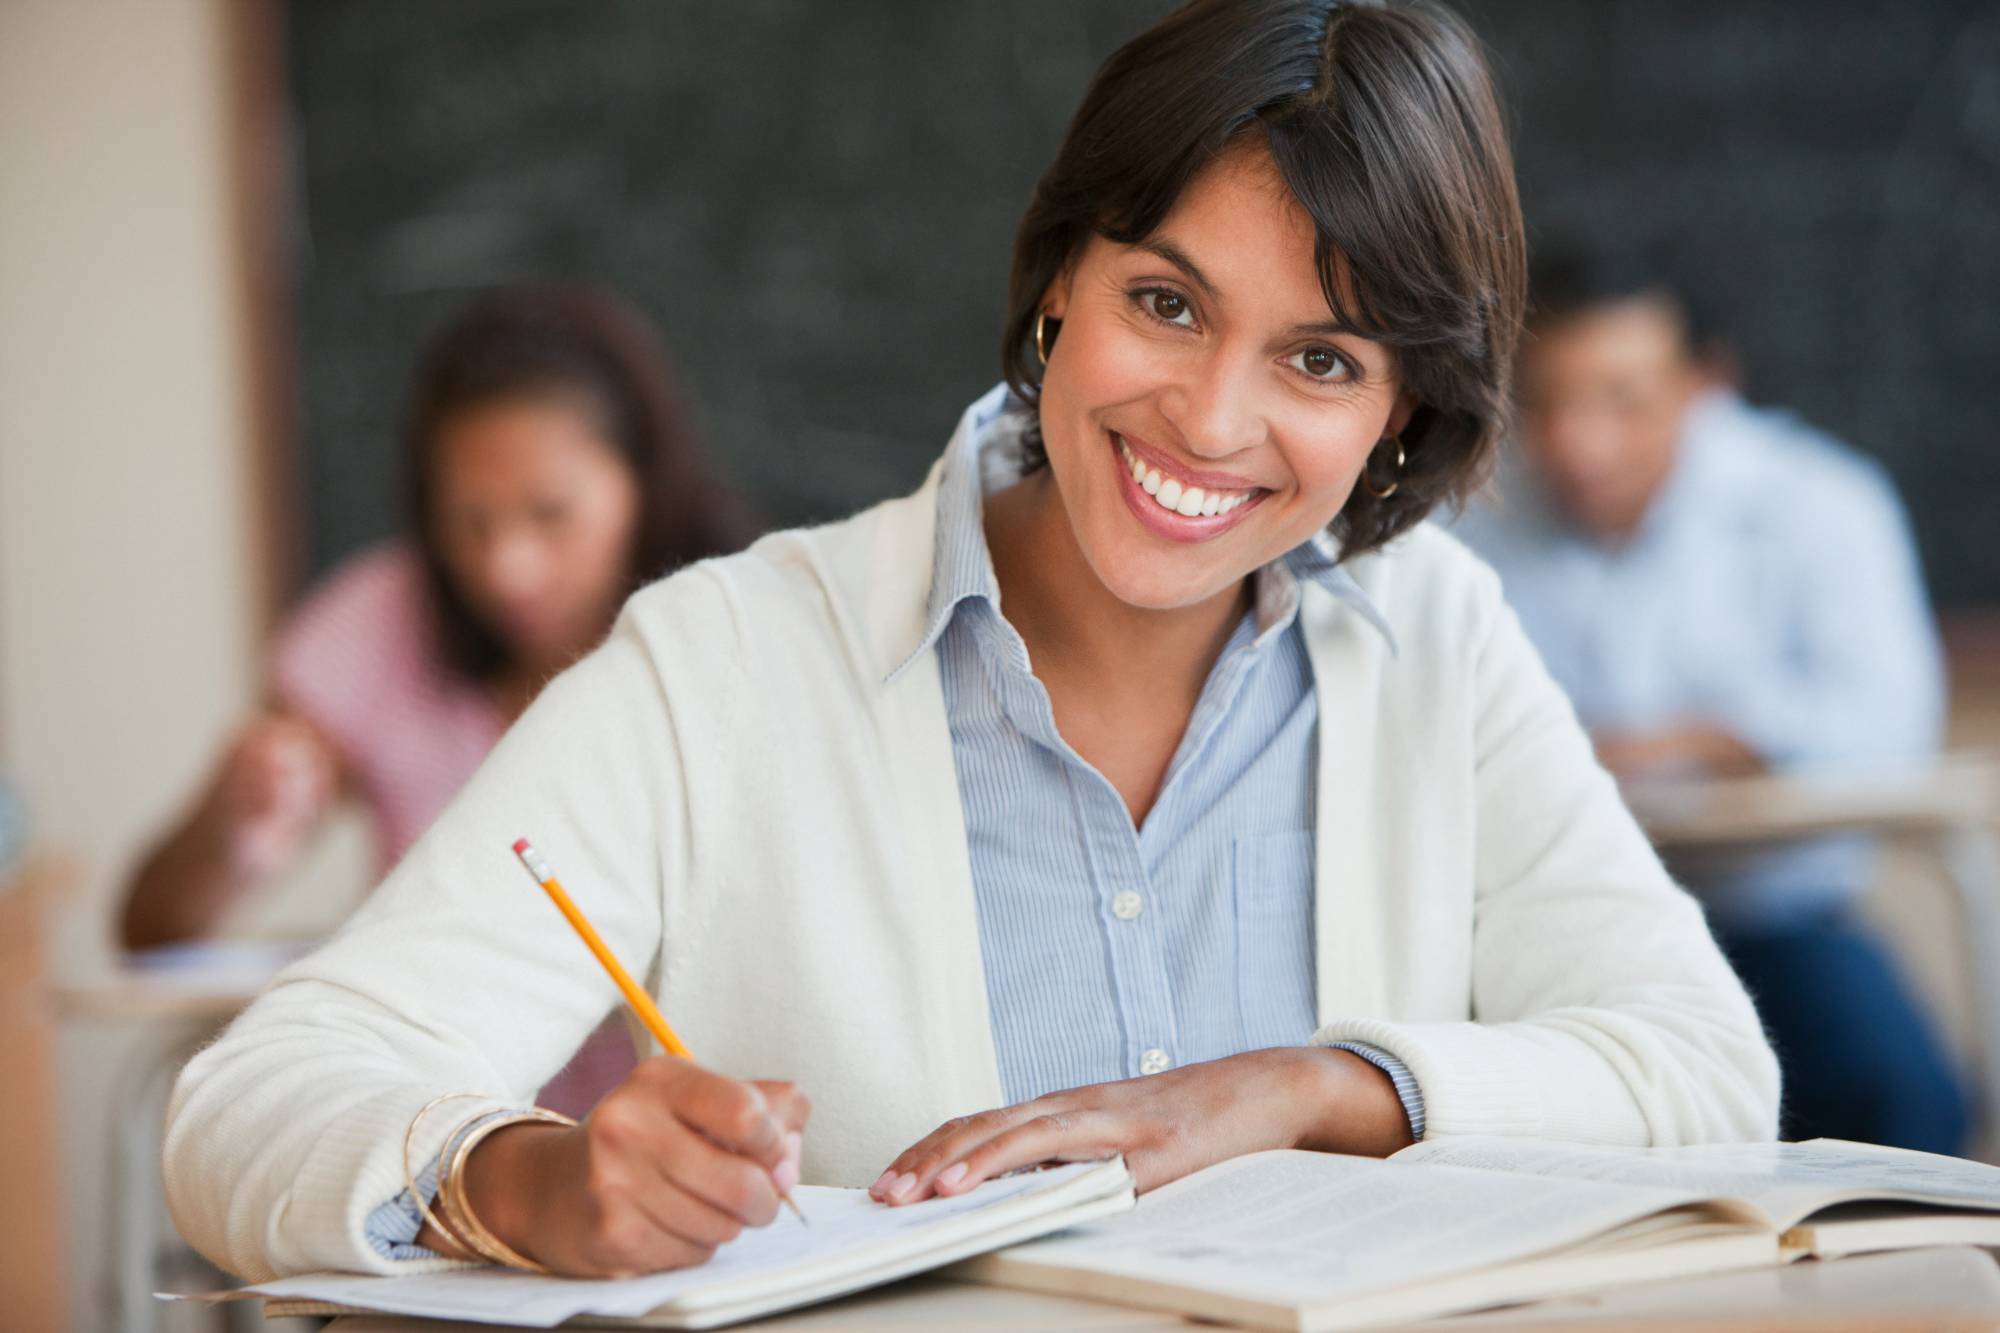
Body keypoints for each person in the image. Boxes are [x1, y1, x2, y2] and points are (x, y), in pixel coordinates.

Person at [164, 0, 1778, 1284]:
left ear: (1401, 407)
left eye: (1323, 357)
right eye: (1166, 301)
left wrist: (1307, 1086)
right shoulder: (726, 658)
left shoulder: (1436, 633)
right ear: (1062, 276)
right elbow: (248, 1107)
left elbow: (1707, 1074)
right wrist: (540, 1185)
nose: (1212, 420)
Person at [125, 286, 754, 1116]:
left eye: (550, 513)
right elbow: (152, 928)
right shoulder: (379, 624)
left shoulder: (741, 632)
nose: (507, 568)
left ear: (641, 477)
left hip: (704, 1151)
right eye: (469, 521)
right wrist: (231, 831)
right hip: (445, 1168)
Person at [1455, 243, 1969, 1155]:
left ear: (1706, 382)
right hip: (1542, 944)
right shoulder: (1467, 514)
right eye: (1548, 402)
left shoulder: (1819, 500)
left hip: (1768, 922)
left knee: (1903, 1097)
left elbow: (1892, 726)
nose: (1581, 442)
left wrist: (1714, 738)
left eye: (1623, 398)